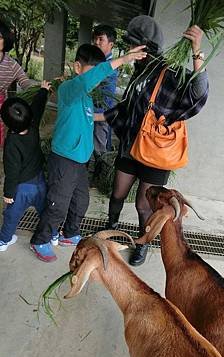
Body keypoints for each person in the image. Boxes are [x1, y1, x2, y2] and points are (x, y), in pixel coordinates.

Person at [102, 16, 209, 266]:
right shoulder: (139, 72)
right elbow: (128, 108)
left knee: (143, 205)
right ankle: (110, 228)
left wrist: (197, 51)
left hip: (157, 154)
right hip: (131, 147)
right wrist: (100, 116)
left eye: (132, 45)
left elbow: (198, 93)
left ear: (145, 47)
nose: (128, 49)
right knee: (117, 192)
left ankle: (142, 243)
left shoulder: (169, 72)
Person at [30, 43, 147, 263]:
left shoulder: (85, 98)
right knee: (58, 203)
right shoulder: (70, 89)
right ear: (77, 67)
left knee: (80, 201)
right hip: (64, 159)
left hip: (80, 160)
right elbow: (86, 81)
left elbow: (91, 117)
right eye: (92, 71)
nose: (96, 78)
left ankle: (70, 233)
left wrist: (120, 111)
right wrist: (123, 60)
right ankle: (41, 239)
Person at [0, 81, 52, 251]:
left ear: (7, 124)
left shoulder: (11, 143)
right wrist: (43, 90)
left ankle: (4, 240)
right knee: (45, 209)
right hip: (39, 181)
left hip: (21, 187)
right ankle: (52, 234)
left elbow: (12, 171)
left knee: (12, 215)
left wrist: (8, 193)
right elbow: (37, 106)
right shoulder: (33, 123)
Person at [89, 24, 118, 183]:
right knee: (90, 143)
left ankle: (99, 179)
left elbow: (93, 83)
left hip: (101, 114)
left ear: (111, 44)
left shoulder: (110, 66)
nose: (97, 42)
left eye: (101, 39)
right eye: (95, 39)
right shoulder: (97, 61)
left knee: (99, 147)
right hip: (92, 111)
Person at [0, 20, 31, 147]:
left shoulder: (11, 65)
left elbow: (25, 82)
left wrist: (40, 90)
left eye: (0, 37)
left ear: (5, 40)